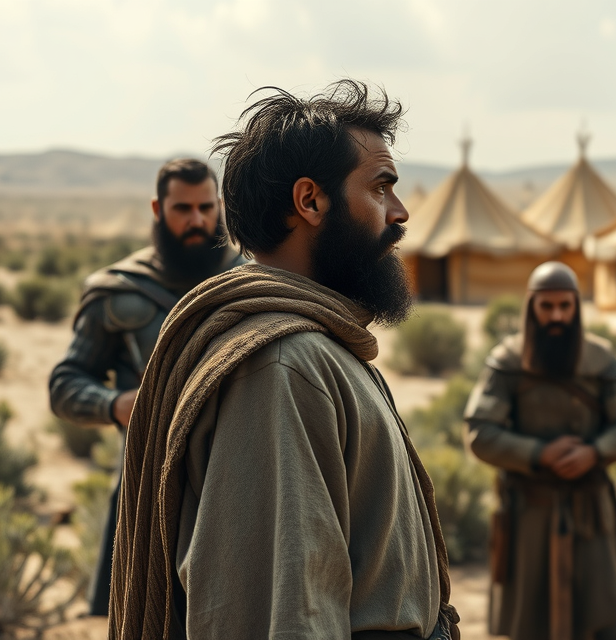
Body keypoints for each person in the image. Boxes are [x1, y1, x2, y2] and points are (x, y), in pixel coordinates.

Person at [108, 80, 459, 639]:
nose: (400, 212)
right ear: (310, 201)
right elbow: (281, 611)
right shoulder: (280, 367)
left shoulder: (318, 346)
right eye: (380, 188)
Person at [48, 157, 244, 616]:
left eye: (205, 207)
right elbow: (65, 383)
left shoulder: (249, 281)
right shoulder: (121, 291)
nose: (196, 220)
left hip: (239, 480)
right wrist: (117, 405)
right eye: (182, 209)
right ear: (158, 208)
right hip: (150, 485)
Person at [465, 261, 616, 640]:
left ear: (577, 307)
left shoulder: (601, 360)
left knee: (601, 617)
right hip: (530, 513)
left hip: (590, 511)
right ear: (531, 307)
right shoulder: (507, 363)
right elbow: (479, 432)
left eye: (565, 306)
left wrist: (594, 453)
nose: (557, 315)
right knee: (532, 621)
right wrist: (538, 454)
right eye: (547, 307)